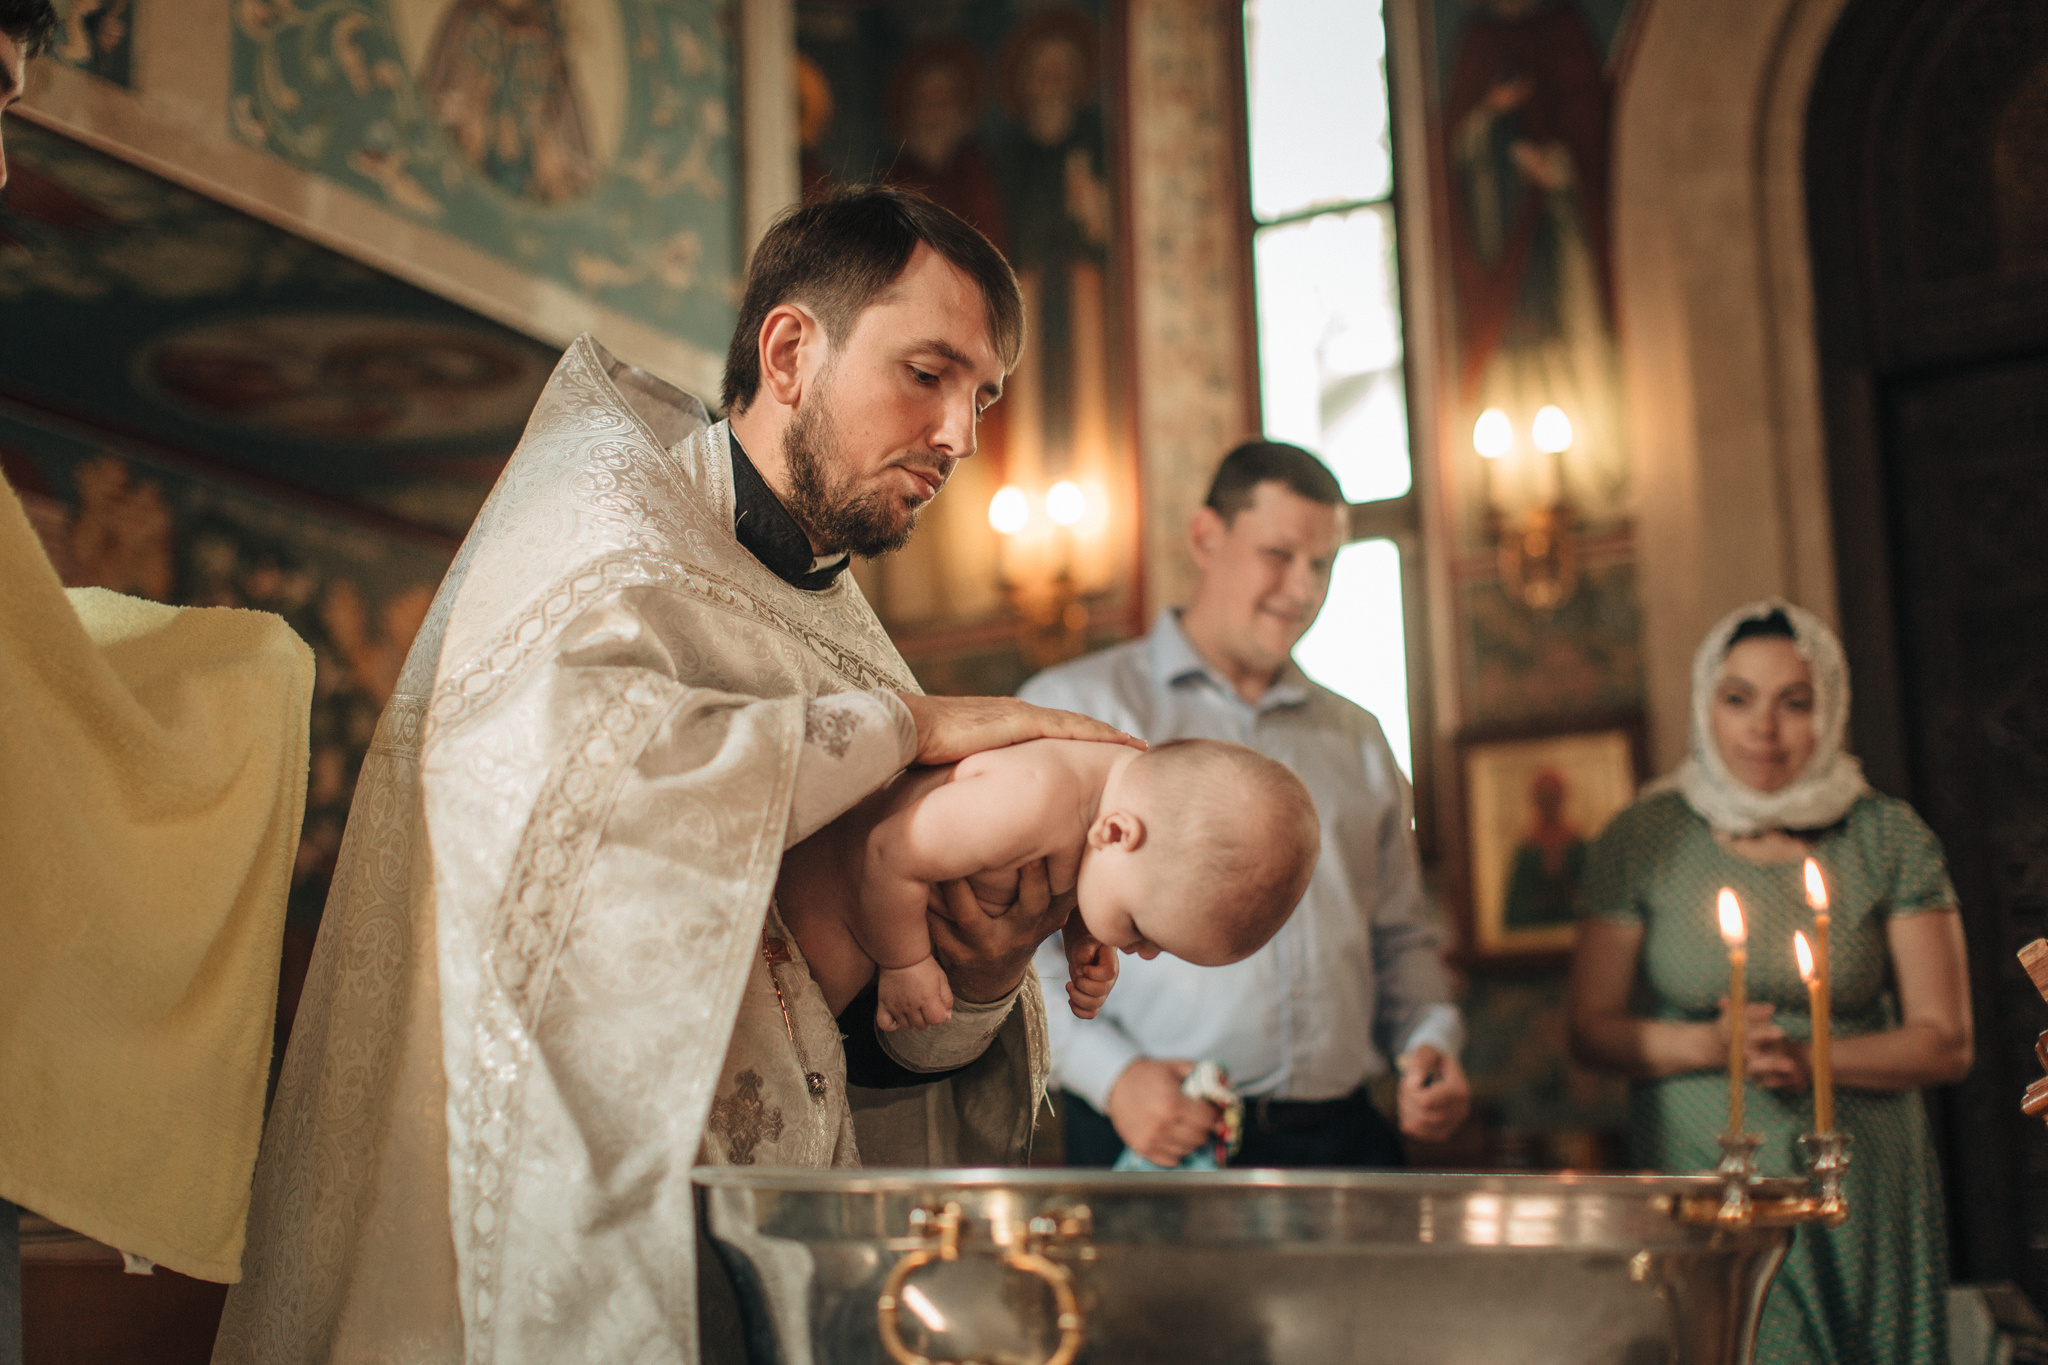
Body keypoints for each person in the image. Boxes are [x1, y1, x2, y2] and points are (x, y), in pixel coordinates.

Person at [215, 186, 1142, 1365]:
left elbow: (866, 1042)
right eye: (927, 374)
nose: (958, 434)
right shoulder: (597, 542)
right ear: (790, 352)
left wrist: (984, 968)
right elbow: (565, 823)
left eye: (983, 397)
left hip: (764, 1266)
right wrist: (903, 728)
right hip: (543, 1251)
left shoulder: (855, 643)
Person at [1022, 440, 1470, 1170]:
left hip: (1344, 1139)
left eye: (1322, 564)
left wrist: (1430, 1039)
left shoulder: (1359, 737)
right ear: (1207, 536)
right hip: (1149, 1132)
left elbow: (1399, 936)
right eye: (1279, 554)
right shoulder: (1076, 708)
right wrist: (1115, 1078)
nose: (1303, 588)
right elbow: (1017, 946)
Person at [1569, 600, 1972, 1365]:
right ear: (1705, 705)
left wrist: (1809, 1058)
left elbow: (1946, 1041)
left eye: (1795, 702)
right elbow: (1589, 1029)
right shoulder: (1645, 837)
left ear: (1832, 709)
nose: (1764, 729)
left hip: (1861, 1178)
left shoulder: (1887, 835)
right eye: (1738, 698)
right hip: (1705, 1174)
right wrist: (1709, 1043)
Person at [781, 736, 1318, 1031]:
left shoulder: (1113, 805)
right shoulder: (1032, 800)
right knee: (793, 1042)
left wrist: (1086, 932)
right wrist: (906, 964)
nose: (1146, 953)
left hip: (881, 914)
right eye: (1139, 929)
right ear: (1116, 833)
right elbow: (888, 851)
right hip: (826, 900)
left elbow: (1090, 872)